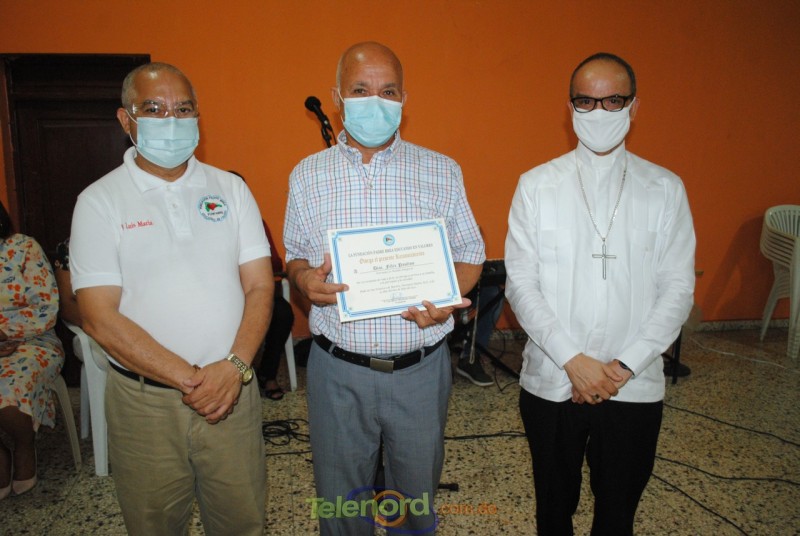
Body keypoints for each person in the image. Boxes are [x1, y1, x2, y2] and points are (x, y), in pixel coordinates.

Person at [284, 42, 485, 534]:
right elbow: (295, 257)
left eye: (388, 91)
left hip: (421, 370)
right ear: (337, 98)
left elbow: (470, 253)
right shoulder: (307, 175)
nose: (375, 102)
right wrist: (303, 279)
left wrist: (445, 300)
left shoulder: (442, 170)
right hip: (337, 371)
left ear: (404, 100)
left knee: (414, 508)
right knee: (341, 508)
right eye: (360, 90)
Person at [69, 62, 272, 535]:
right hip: (145, 404)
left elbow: (260, 287)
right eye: (154, 109)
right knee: (154, 526)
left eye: (183, 109)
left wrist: (233, 368)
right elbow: (98, 317)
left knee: (243, 522)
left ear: (198, 116)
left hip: (233, 390)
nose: (171, 120)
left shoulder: (231, 189)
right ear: (126, 119)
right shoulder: (99, 201)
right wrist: (194, 380)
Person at [505, 52, 695, 535]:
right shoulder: (537, 185)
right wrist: (573, 360)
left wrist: (624, 365)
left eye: (613, 101)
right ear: (569, 108)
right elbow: (520, 283)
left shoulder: (665, 188)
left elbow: (677, 288)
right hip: (553, 378)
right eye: (586, 101)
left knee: (617, 513)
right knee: (553, 511)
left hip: (632, 382)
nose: (599, 112)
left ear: (634, 107)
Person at [0, 200, 65, 500]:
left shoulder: (23, 248)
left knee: (7, 386)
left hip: (34, 341)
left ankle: (24, 444)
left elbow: (47, 309)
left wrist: (4, 332)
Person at [228, 171, 295, 400]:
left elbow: (276, 262)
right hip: (227, 295)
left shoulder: (256, 222)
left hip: (258, 289)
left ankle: (267, 374)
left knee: (283, 313)